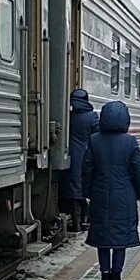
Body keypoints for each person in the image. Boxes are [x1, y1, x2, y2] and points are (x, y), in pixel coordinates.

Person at [82, 100, 140, 280]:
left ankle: (104, 277)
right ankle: (116, 278)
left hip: (100, 195)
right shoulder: (130, 141)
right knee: (120, 239)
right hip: (124, 196)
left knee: (103, 239)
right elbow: (138, 170)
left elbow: (87, 168)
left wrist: (87, 191)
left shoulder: (94, 140)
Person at [64, 88, 99, 232]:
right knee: (85, 191)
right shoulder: (92, 117)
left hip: (69, 157)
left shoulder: (67, 115)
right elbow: (97, 136)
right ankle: (84, 221)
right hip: (86, 157)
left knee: (73, 191)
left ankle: (76, 223)